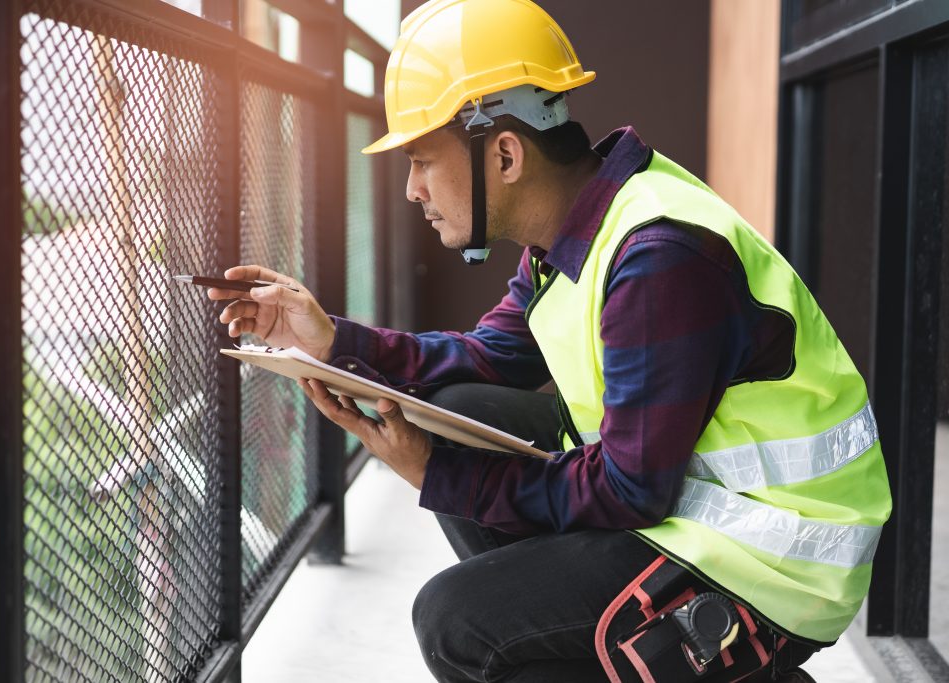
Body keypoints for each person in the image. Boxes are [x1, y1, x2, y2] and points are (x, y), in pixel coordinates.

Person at [209, 1, 892, 681]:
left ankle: (733, 665)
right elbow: (485, 356)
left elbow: (629, 491)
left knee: (457, 623)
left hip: (775, 565)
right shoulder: (575, 233)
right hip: (690, 503)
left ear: (505, 153)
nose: (413, 188)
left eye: (420, 159)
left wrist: (439, 476)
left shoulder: (656, 255)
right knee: (462, 412)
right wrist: (330, 340)